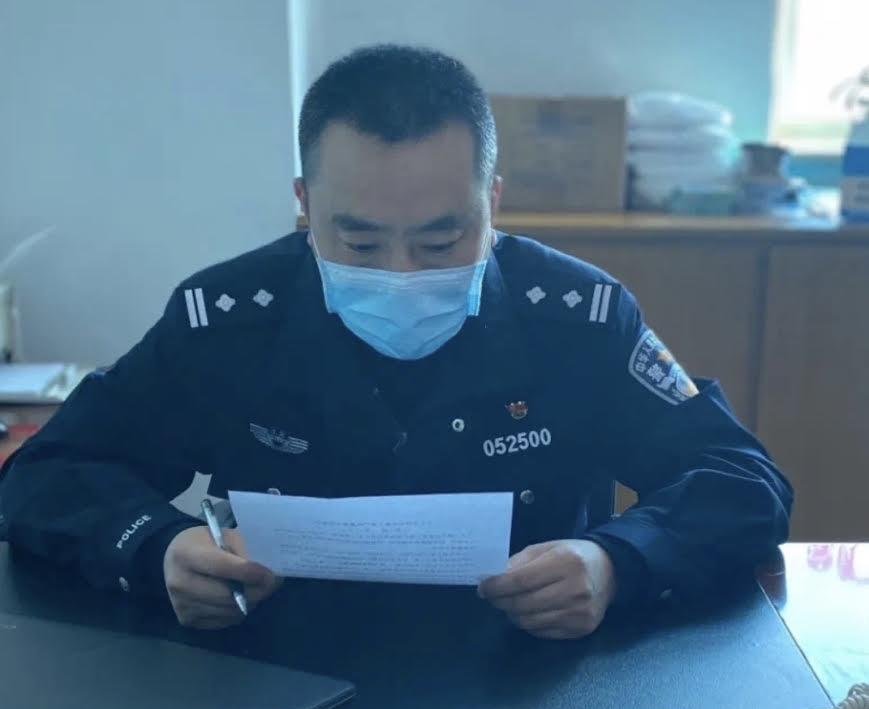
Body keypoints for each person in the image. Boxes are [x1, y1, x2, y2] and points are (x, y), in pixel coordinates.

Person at [0, 44, 792, 639]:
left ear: (492, 202)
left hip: (530, 673)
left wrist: (617, 561)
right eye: (361, 243)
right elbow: (48, 473)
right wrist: (157, 547)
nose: (402, 273)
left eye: (441, 242)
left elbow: (740, 480)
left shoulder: (576, 318)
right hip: (277, 674)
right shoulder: (229, 321)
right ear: (305, 203)